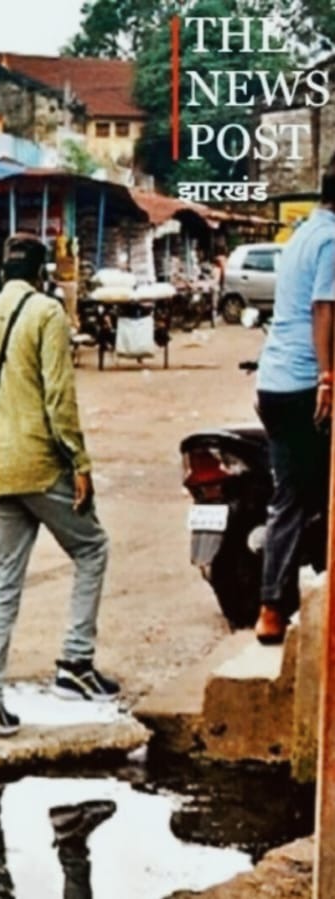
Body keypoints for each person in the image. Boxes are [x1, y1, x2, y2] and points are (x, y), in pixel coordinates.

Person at [0, 234, 117, 738]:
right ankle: (75, 665)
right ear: (41, 273)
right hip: (39, 462)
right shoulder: (46, 313)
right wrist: (80, 462)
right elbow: (60, 397)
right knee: (93, 549)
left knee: (2, 586)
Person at [251, 163, 335, 644]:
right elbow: (323, 307)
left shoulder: (304, 232)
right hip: (306, 384)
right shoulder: (330, 240)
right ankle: (272, 605)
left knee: (299, 494)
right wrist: (327, 376)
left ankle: (279, 604)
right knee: (299, 498)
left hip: (276, 381)